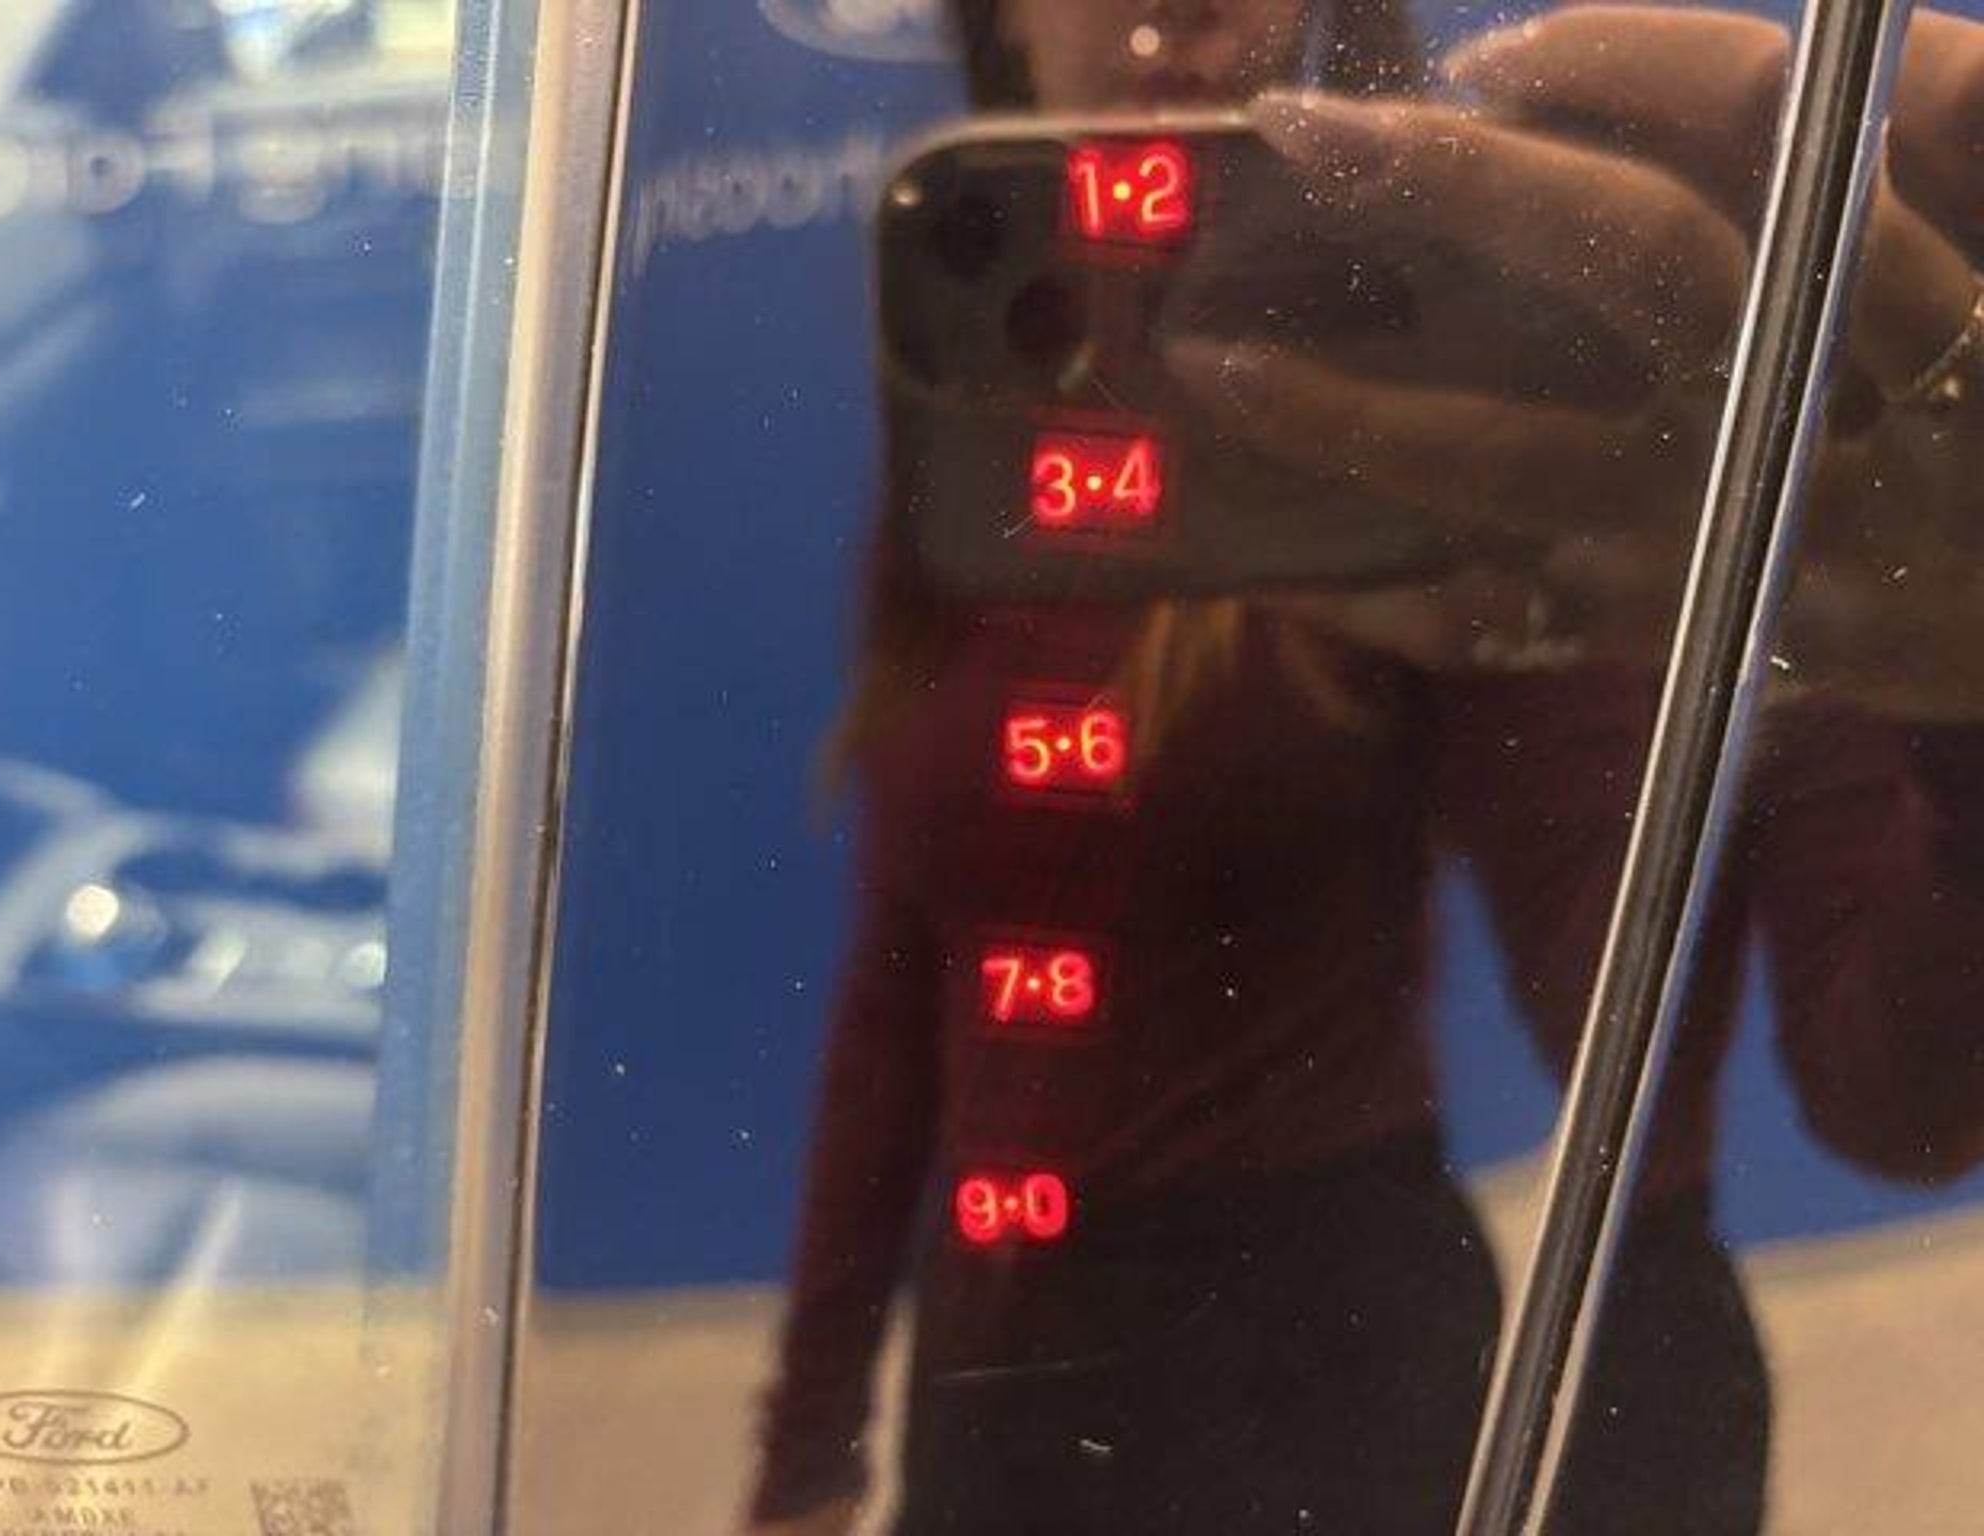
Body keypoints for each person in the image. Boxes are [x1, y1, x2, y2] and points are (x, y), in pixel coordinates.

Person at [744, 3, 1984, 1532]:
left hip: (1321, 1366)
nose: (1188, 11)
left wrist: (1933, 681)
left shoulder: (1420, 427)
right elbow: (901, 983)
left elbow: (1837, 1074)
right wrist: (806, 1449)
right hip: (999, 1380)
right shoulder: (983, 409)